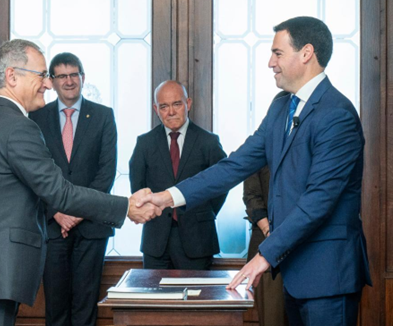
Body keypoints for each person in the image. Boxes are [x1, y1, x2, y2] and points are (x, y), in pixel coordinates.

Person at [140, 17, 372, 325]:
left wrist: (263, 256)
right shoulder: (280, 106)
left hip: (328, 276)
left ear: (306, 53)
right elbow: (235, 165)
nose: (269, 63)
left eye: (277, 53)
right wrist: (167, 197)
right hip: (293, 272)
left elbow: (319, 200)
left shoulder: (337, 114)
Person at [0, 39, 161, 326]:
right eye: (42, 75)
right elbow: (58, 191)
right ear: (12, 76)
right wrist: (126, 207)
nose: (47, 84)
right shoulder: (16, 126)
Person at [30, 52, 117, 326]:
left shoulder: (103, 116)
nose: (69, 81)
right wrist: (57, 213)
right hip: (52, 226)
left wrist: (78, 211)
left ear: (82, 77)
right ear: (52, 82)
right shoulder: (36, 117)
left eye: (73, 74)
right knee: (55, 307)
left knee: (85, 306)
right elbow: (32, 173)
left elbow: (106, 172)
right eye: (61, 76)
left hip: (91, 226)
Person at [129, 80, 227, 270]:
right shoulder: (144, 144)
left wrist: (206, 212)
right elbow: (138, 187)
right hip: (156, 239)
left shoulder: (208, 142)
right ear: (156, 109)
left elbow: (222, 184)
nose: (171, 112)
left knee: (195, 297)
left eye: (177, 104)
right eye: (164, 106)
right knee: (155, 299)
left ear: (188, 104)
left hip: (198, 237)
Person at [243, 166, 288, 326]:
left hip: (308, 249)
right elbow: (252, 197)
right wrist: (271, 235)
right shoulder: (261, 144)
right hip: (266, 247)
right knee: (272, 318)